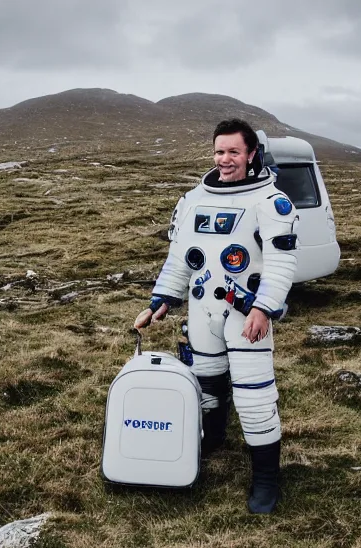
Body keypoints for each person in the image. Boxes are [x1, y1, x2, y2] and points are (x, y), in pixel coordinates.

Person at [134, 118, 298, 514]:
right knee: (206, 386)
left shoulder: (272, 202)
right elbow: (180, 258)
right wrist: (161, 301)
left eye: (234, 152)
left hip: (245, 316)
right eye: (219, 151)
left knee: (255, 398)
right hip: (201, 308)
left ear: (252, 154)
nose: (225, 160)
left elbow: (281, 264)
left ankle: (265, 479)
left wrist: (262, 308)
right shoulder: (193, 200)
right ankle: (212, 442)